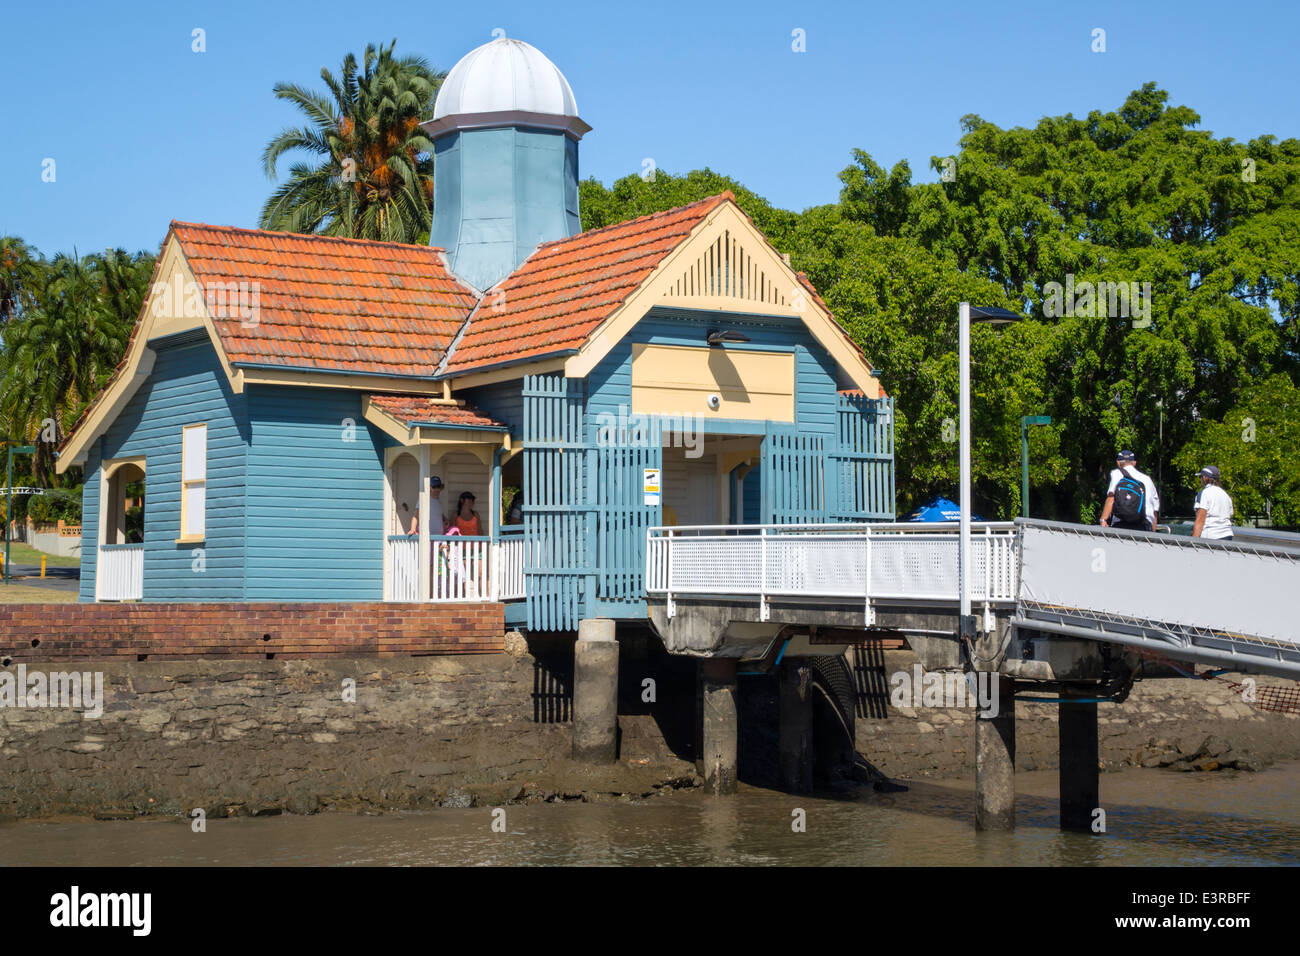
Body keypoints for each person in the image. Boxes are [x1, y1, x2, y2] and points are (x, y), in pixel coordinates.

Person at [1099, 450, 1160, 531]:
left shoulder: (1117, 473)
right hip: (1144, 526)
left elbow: (1111, 498)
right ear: (1134, 463)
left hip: (1122, 525)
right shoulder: (1147, 480)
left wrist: (1103, 520)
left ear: (1118, 462)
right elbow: (1154, 511)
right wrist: (1153, 533)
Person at [1192, 465, 1234, 540]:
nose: (1200, 480)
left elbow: (1200, 519)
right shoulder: (1225, 495)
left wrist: (1193, 541)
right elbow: (1229, 515)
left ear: (1205, 478)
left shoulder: (1204, 493)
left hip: (1211, 537)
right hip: (1227, 536)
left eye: (1200, 477)